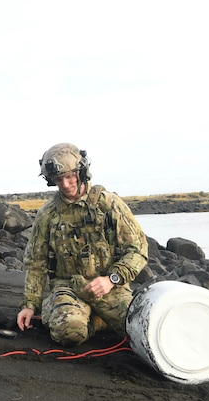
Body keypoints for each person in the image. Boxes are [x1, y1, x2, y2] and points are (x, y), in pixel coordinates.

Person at [17, 143, 149, 346]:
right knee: (68, 332)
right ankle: (88, 321)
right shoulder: (48, 214)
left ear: (82, 172)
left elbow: (138, 249)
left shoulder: (109, 204)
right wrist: (29, 305)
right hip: (68, 289)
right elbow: (36, 262)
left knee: (144, 329)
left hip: (110, 288)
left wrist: (112, 279)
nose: (65, 184)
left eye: (70, 177)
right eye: (58, 180)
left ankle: (97, 319)